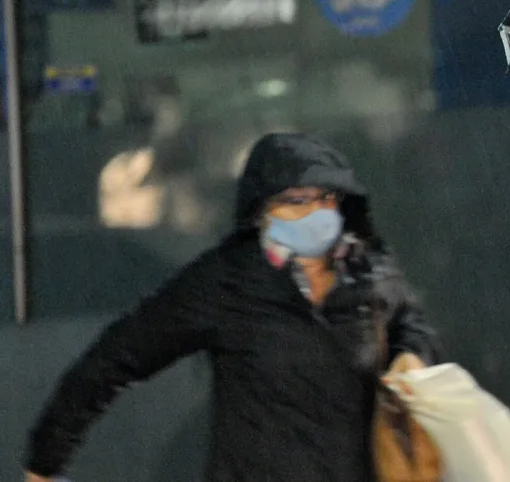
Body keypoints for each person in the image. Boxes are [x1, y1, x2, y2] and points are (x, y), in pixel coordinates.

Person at [24, 132, 443, 482]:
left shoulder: (368, 270)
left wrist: (411, 355)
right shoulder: (228, 280)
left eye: (325, 198)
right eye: (296, 200)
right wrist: (47, 460)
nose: (316, 212)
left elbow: (409, 321)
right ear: (262, 212)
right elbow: (117, 356)